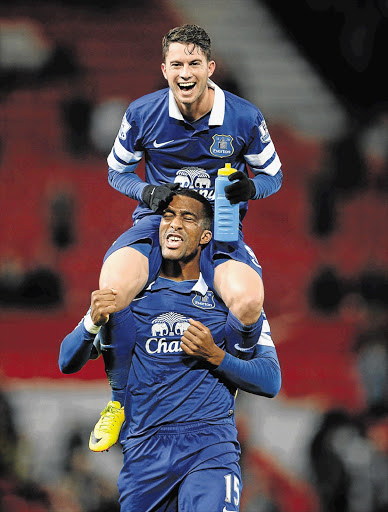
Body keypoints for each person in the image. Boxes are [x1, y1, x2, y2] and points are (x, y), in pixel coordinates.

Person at [93, 23, 283, 440]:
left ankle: (227, 386)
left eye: (194, 63)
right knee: (111, 291)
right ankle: (118, 401)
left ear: (209, 67)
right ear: (164, 69)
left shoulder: (244, 117)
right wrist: (145, 190)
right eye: (176, 63)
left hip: (220, 230)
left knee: (249, 300)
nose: (185, 72)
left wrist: (250, 187)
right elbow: (115, 171)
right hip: (157, 225)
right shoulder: (142, 113)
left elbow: (274, 175)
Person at [59, 190, 281, 511]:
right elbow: (67, 361)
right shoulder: (131, 296)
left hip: (209, 446)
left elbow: (270, 381)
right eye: (168, 216)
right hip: (144, 452)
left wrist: (215, 356)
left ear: (206, 236)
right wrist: (91, 323)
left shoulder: (231, 301)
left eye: (186, 218)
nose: (174, 225)